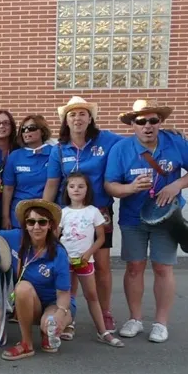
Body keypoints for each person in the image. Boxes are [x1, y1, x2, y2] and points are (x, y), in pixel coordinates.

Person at [105, 99, 188, 344]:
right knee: (134, 267)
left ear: (161, 122)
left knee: (163, 268)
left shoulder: (175, 142)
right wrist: (129, 188)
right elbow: (110, 185)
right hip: (132, 217)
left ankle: (160, 323)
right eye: (141, 121)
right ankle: (135, 319)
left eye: (153, 120)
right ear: (133, 125)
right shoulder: (121, 149)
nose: (147, 125)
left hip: (167, 218)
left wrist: (177, 184)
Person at [43, 96, 123, 335]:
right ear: (66, 121)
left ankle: (105, 312)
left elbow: (136, 142)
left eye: (82, 114)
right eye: (72, 114)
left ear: (90, 119)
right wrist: (44, 212)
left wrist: (169, 135)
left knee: (102, 266)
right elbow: (52, 183)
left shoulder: (107, 140)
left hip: (99, 213)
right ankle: (69, 316)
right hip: (69, 215)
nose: (77, 118)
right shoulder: (59, 149)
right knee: (70, 267)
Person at [0, 200, 74, 361]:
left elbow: (64, 294)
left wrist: (60, 314)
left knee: (49, 324)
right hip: (31, 301)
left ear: (50, 225)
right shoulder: (16, 237)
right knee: (22, 287)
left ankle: (48, 331)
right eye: (31, 222)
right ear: (25, 225)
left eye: (42, 222)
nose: (36, 226)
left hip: (56, 303)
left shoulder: (59, 253)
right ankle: (27, 344)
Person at [58, 173, 121, 347]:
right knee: (68, 295)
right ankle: (69, 325)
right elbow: (55, 238)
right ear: (66, 190)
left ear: (87, 189)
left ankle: (103, 331)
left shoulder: (94, 211)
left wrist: (88, 254)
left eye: (81, 186)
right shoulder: (63, 213)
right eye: (72, 186)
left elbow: (101, 238)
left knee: (92, 295)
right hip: (66, 262)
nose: (76, 190)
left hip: (85, 261)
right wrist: (61, 256)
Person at [1, 115, 54, 229]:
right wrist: (5, 217)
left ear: (42, 131)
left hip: (45, 215)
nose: (26, 132)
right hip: (19, 216)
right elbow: (8, 188)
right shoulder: (15, 156)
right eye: (23, 129)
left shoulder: (54, 152)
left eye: (31, 128)